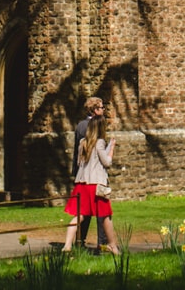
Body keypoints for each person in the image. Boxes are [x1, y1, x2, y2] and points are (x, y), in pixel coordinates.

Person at [62, 112, 119, 255]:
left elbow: (81, 161)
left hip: (82, 184)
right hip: (96, 184)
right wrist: (111, 149)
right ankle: (112, 246)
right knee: (105, 215)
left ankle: (67, 245)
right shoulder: (100, 142)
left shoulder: (83, 142)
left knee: (79, 215)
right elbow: (106, 162)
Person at [74, 96, 106, 250]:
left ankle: (79, 240)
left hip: (82, 174)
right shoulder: (92, 126)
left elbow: (77, 152)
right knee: (101, 209)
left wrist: (75, 172)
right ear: (94, 110)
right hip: (94, 174)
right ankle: (103, 242)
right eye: (101, 108)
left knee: (84, 210)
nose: (103, 110)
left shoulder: (80, 125)